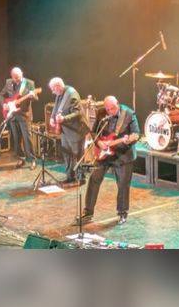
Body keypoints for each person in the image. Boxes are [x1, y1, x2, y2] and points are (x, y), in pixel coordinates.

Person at [78, 96, 140, 225]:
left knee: (122, 185)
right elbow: (94, 132)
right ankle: (88, 212)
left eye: (112, 109)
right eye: (107, 109)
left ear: (117, 104)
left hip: (122, 155)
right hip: (104, 154)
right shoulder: (101, 112)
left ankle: (122, 213)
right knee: (94, 178)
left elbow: (136, 133)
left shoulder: (129, 114)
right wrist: (99, 143)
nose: (110, 111)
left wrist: (129, 140)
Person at [48, 77, 90, 184]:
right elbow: (56, 107)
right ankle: (70, 176)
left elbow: (78, 113)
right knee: (67, 153)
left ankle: (81, 177)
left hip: (76, 130)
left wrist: (64, 119)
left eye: (53, 89)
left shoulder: (72, 94)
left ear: (58, 86)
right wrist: (52, 118)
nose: (52, 92)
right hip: (66, 129)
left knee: (77, 154)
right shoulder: (59, 94)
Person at [0, 67, 37, 169]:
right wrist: (4, 105)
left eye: (19, 76)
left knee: (27, 138)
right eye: (15, 77)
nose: (17, 79)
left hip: (24, 115)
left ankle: (32, 160)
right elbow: (1, 95)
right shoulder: (8, 82)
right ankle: (21, 158)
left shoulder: (29, 83)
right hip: (13, 115)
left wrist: (32, 96)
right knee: (16, 139)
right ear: (11, 77)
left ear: (22, 74)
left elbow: (35, 97)